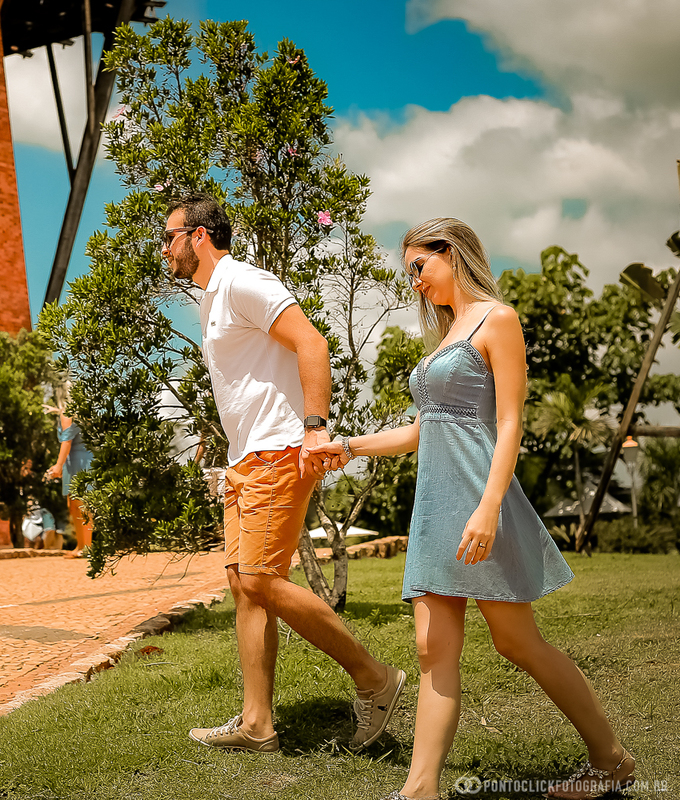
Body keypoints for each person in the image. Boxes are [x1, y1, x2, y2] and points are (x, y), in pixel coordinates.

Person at [309, 218, 635, 800]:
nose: (414, 281)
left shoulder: (497, 319)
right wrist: (349, 446)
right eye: (408, 272)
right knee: (432, 649)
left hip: (482, 499)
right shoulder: (447, 334)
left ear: (452, 253)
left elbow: (509, 423)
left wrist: (488, 508)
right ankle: (420, 789)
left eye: (419, 266)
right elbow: (421, 430)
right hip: (435, 508)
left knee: (517, 642)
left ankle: (610, 760)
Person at [166, 193, 406, 753]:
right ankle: (257, 724)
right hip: (245, 459)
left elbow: (311, 343)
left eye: (169, 237)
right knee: (243, 585)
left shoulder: (244, 281)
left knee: (260, 580)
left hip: (277, 450)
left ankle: (375, 677)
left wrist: (315, 429)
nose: (164, 249)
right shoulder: (212, 298)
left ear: (199, 235)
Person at [45, 386, 94, 558]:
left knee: (80, 506)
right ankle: (81, 546)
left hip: (78, 461)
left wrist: (58, 465)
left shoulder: (67, 414)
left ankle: (86, 547)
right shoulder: (75, 413)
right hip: (77, 459)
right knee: (75, 506)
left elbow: (66, 441)